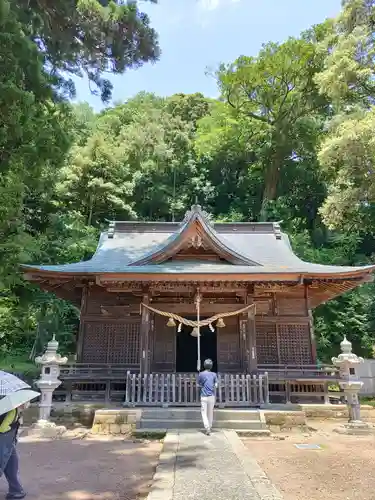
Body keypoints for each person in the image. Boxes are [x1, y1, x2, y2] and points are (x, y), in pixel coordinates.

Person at [0, 405, 26, 499]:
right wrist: (13, 425)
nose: (27, 404)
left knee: (10, 461)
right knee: (7, 461)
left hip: (7, 440)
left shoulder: (12, 409)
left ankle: (16, 490)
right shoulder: (11, 410)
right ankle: (16, 490)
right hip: (4, 438)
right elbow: (2, 428)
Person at [198, 359, 217, 435]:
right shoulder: (214, 374)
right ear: (211, 366)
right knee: (210, 413)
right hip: (211, 396)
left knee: (204, 412)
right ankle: (210, 426)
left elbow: (199, 384)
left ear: (204, 365)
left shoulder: (201, 374)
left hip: (204, 396)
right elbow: (216, 385)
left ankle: (207, 427)